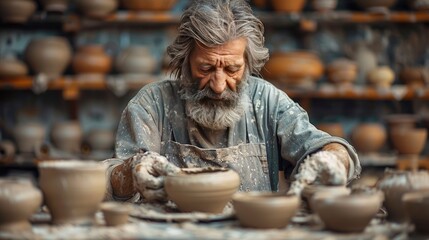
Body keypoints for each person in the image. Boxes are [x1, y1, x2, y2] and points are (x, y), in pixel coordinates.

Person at [104, 0, 361, 203]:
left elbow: (323, 146)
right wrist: (131, 172)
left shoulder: (267, 101)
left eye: (232, 69)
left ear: (248, 64)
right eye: (205, 68)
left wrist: (332, 159)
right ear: (184, 62)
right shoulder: (152, 103)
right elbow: (107, 181)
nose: (218, 86)